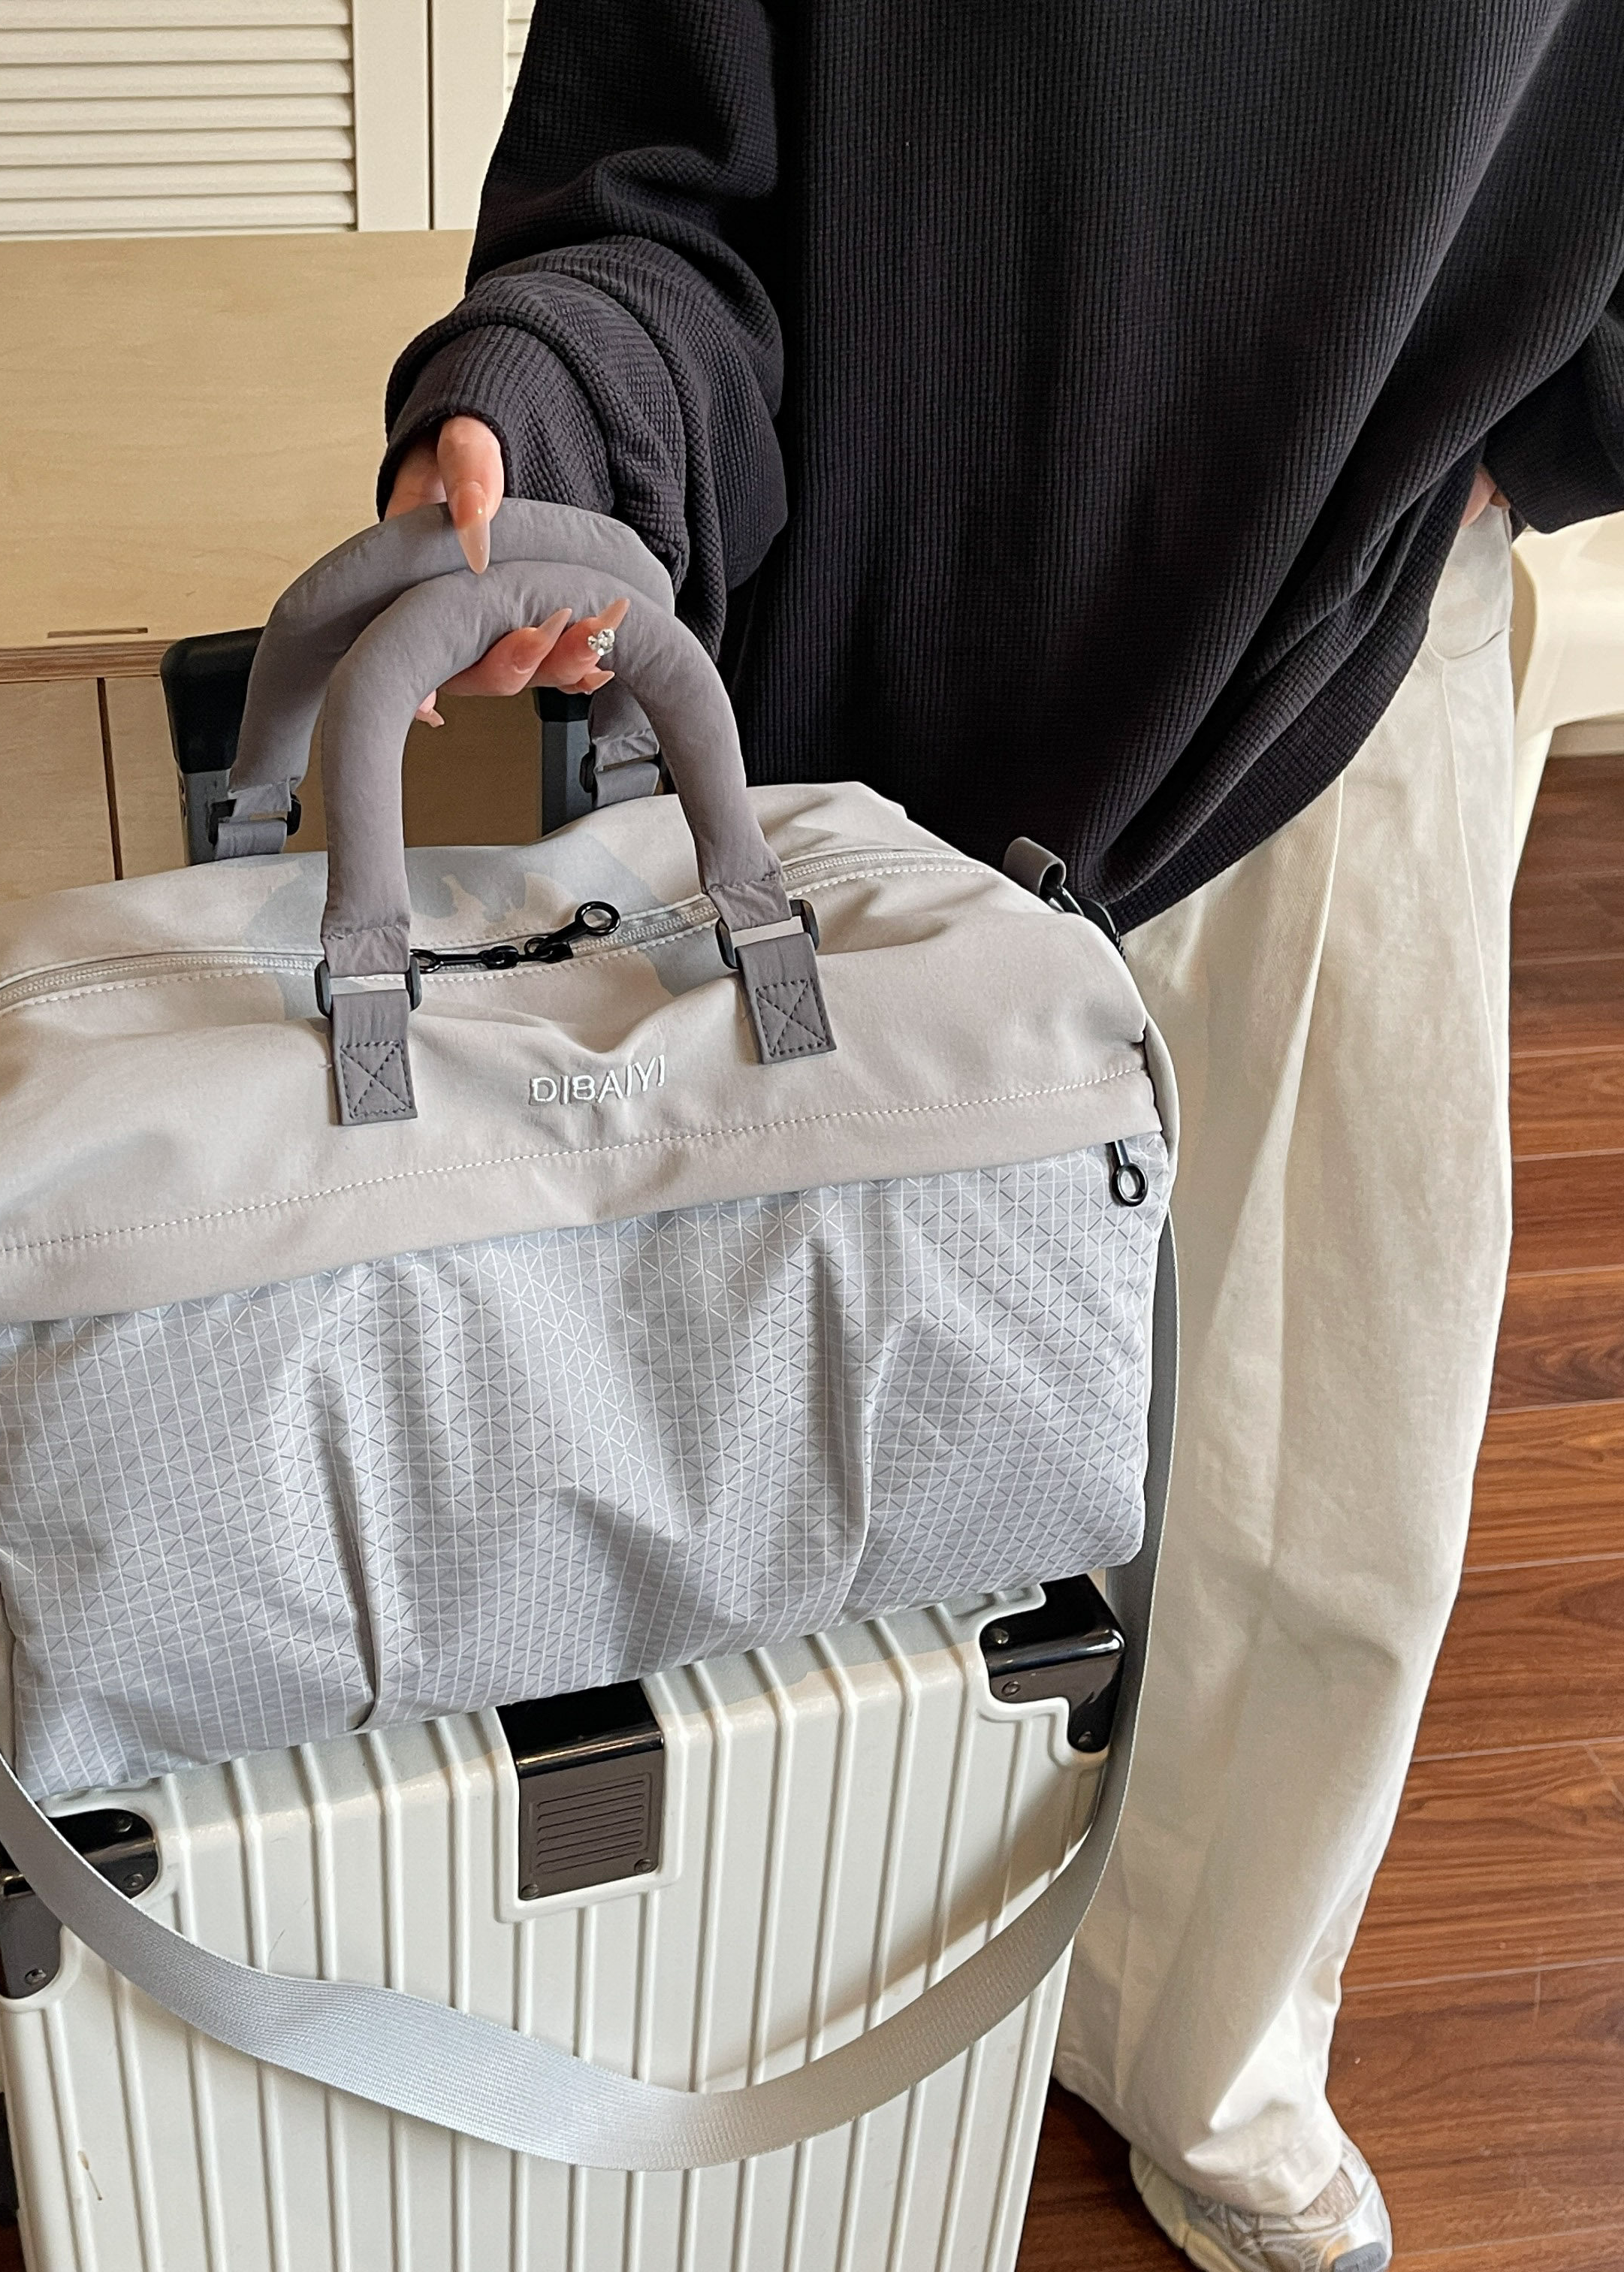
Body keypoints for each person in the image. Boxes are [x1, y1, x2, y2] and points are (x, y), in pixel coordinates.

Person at [374, 6, 1624, 2266]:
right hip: (866, 698)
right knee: (792, 1474)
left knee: (1312, 1474)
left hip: (1334, 667)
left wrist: (1531, 417)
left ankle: (1202, 2051)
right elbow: (662, 187)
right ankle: (789, 2028)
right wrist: (553, 400)